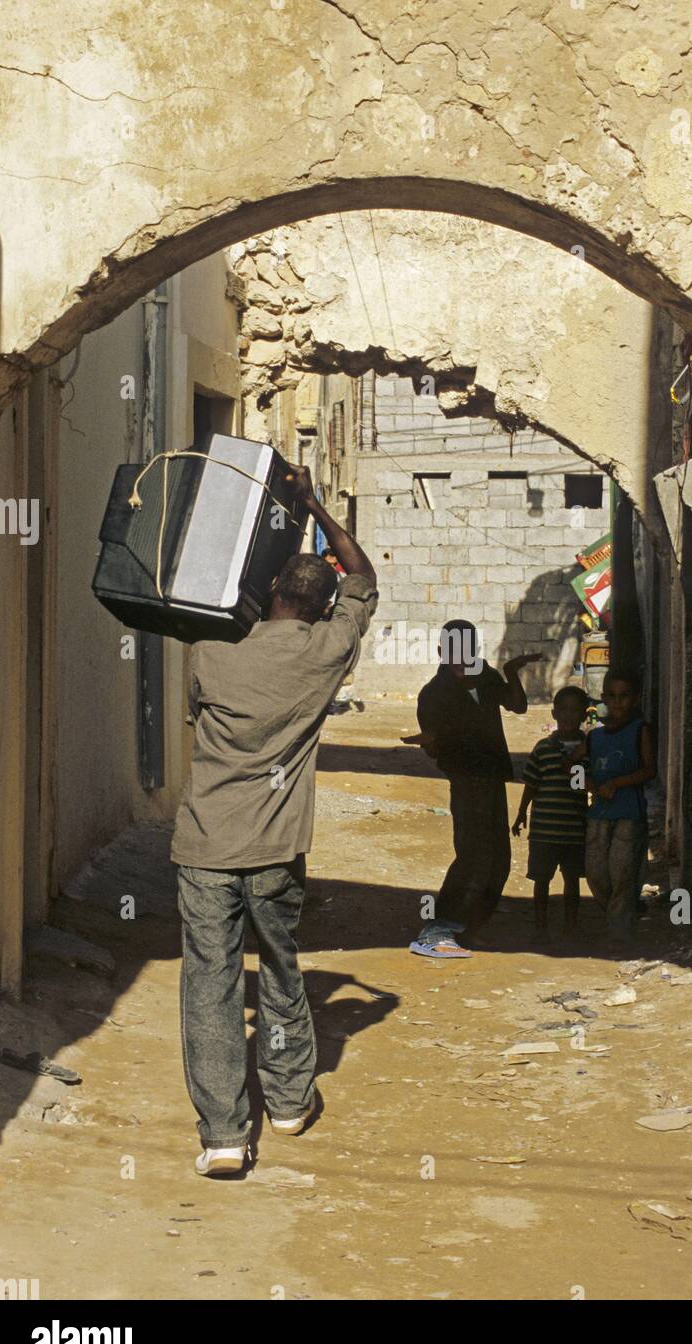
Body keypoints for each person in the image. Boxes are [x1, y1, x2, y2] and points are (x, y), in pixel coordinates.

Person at [171, 465, 377, 1177]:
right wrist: (314, 505)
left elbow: (195, 715)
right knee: (281, 969)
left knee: (211, 982)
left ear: (267, 596)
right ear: (321, 608)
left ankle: (225, 1134)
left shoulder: (213, 655)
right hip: (276, 849)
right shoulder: (327, 654)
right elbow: (361, 576)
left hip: (205, 844)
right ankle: (287, 1102)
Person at [406, 621, 541, 959]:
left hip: (493, 777)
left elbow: (518, 706)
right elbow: (435, 748)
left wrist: (511, 672)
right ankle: (439, 927)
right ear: (442, 652)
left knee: (499, 859)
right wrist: (434, 741)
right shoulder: (433, 694)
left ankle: (471, 926)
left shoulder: (487, 676)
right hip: (466, 781)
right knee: (473, 855)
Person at [584, 668, 656, 949]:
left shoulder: (640, 730)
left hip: (629, 814)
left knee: (623, 874)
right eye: (611, 696)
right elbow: (573, 766)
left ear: (636, 698)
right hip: (599, 815)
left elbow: (649, 770)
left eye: (624, 696)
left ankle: (619, 937)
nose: (618, 703)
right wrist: (588, 783)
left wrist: (618, 783)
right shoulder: (595, 737)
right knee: (596, 874)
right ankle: (625, 913)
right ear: (603, 698)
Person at [512, 685, 590, 942]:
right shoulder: (543, 749)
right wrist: (522, 812)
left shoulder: (589, 749)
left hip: (574, 830)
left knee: (572, 880)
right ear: (554, 714)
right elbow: (531, 784)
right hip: (544, 830)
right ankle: (540, 927)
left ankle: (571, 926)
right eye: (564, 710)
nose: (568, 715)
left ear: (584, 715)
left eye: (575, 710)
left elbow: (591, 784)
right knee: (541, 881)